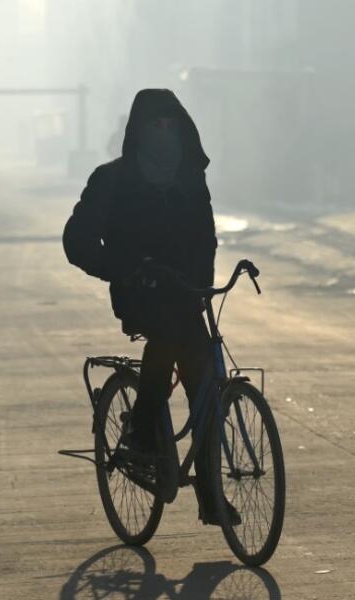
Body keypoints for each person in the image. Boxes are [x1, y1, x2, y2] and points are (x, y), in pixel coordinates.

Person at [62, 89, 237, 525]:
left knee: (205, 387)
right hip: (138, 293)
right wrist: (124, 269)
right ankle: (141, 433)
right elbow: (77, 241)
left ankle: (210, 493)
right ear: (138, 131)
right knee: (172, 339)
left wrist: (202, 283)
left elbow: (206, 237)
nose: (164, 133)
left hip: (184, 294)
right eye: (155, 126)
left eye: (170, 125)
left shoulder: (190, 180)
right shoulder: (112, 180)